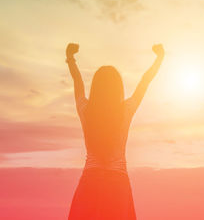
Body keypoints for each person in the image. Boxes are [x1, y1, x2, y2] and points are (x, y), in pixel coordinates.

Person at [66, 43, 164, 220]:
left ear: (95, 88)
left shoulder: (86, 109)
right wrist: (159, 59)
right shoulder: (125, 110)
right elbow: (144, 82)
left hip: (90, 183)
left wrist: (71, 58)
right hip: (117, 185)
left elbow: (77, 82)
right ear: (118, 88)